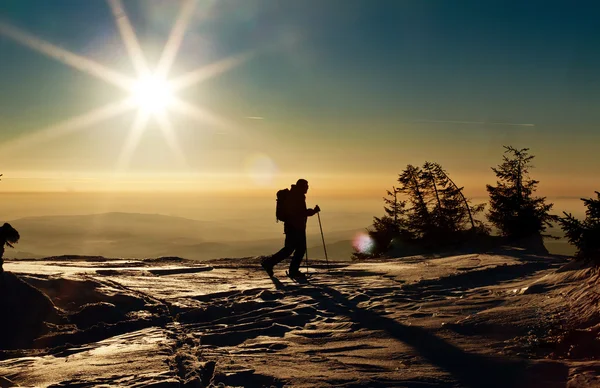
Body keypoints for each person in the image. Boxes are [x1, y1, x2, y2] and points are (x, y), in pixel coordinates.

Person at [261, 179, 320, 278]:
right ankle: (291, 270)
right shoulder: (297, 196)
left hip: (292, 227)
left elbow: (298, 212)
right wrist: (313, 211)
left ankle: (270, 263)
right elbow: (300, 213)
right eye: (306, 186)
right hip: (296, 227)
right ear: (302, 186)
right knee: (299, 249)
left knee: (290, 249)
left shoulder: (295, 195)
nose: (307, 188)